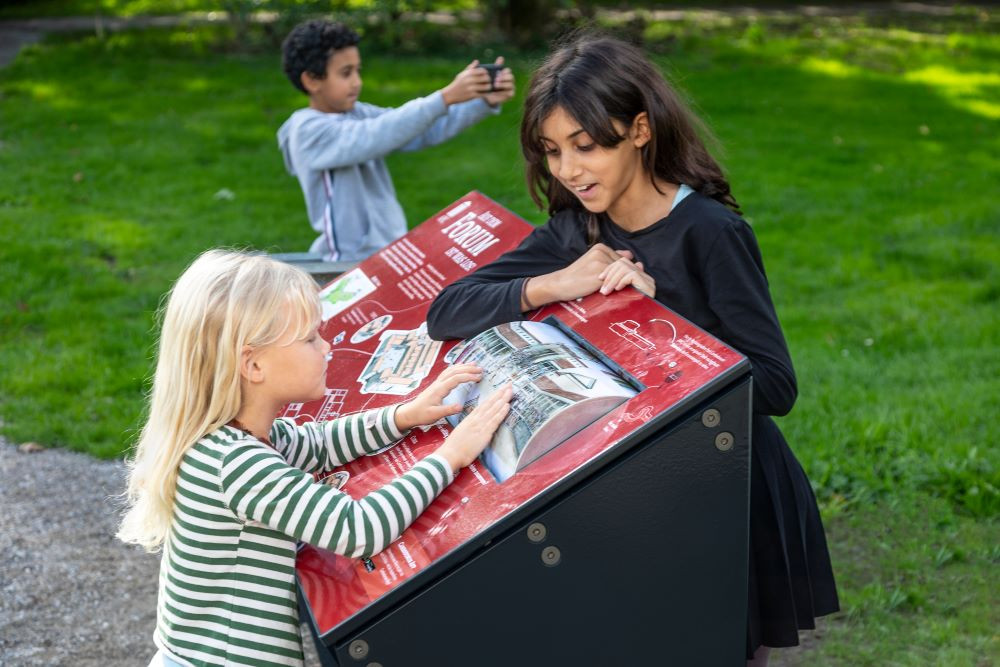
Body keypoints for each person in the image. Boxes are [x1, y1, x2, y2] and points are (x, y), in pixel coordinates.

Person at [425, 35, 839, 665]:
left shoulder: (712, 232)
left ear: (640, 130)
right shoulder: (579, 226)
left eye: (586, 147)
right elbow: (445, 310)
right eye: (553, 151)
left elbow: (777, 385)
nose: (567, 169)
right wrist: (556, 284)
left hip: (726, 482)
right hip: (642, 490)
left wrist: (652, 315)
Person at [118, 249, 512, 667]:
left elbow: (319, 441)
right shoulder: (237, 464)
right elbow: (359, 528)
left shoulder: (234, 440)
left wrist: (404, 415)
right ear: (252, 364)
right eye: (309, 338)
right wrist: (452, 454)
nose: (326, 347)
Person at [277, 19, 515, 262]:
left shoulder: (359, 113)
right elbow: (377, 134)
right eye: (346, 73)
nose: (357, 82)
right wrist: (443, 97)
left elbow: (419, 130)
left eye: (358, 70)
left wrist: (483, 102)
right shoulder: (307, 131)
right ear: (312, 80)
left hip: (390, 250)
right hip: (346, 261)